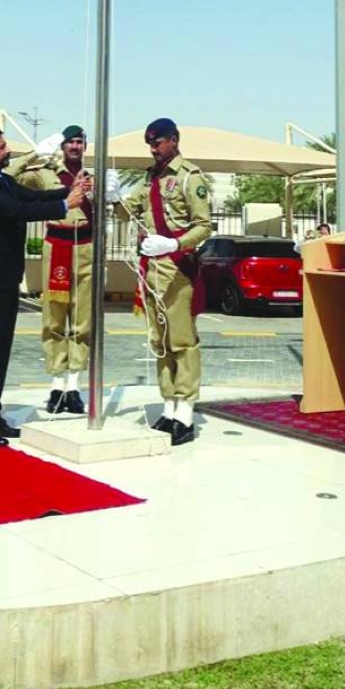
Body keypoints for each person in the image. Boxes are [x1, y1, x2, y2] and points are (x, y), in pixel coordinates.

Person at [0, 126, 89, 447]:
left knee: (0, 351)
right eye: (1, 146)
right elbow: (17, 211)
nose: (7, 150)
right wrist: (65, 205)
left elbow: (31, 196)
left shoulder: (1, 179)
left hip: (4, 276)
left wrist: (69, 191)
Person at [111, 118, 213, 446]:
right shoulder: (150, 177)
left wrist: (174, 243)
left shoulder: (189, 177)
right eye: (150, 144)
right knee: (160, 340)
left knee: (182, 340)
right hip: (151, 267)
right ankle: (169, 405)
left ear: (174, 140)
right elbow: (128, 212)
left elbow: (204, 225)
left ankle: (185, 411)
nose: (153, 149)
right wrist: (115, 197)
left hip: (177, 266)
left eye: (158, 143)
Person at [10, 125, 93, 414]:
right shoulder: (45, 173)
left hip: (85, 248)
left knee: (82, 320)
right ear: (62, 146)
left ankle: (74, 386)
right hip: (57, 245)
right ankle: (57, 385)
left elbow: (117, 210)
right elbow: (9, 178)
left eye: (80, 141)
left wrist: (110, 194)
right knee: (54, 319)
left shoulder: (93, 178)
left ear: (85, 146)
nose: (75, 146)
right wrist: (34, 154)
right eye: (70, 141)